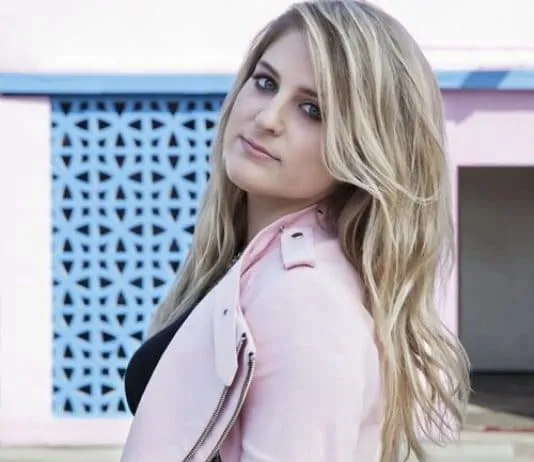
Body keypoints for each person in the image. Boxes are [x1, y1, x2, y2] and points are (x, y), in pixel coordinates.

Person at [121, 1, 471, 461]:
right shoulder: (256, 266)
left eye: (312, 110)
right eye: (265, 83)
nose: (268, 118)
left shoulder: (307, 302)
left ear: (365, 146)